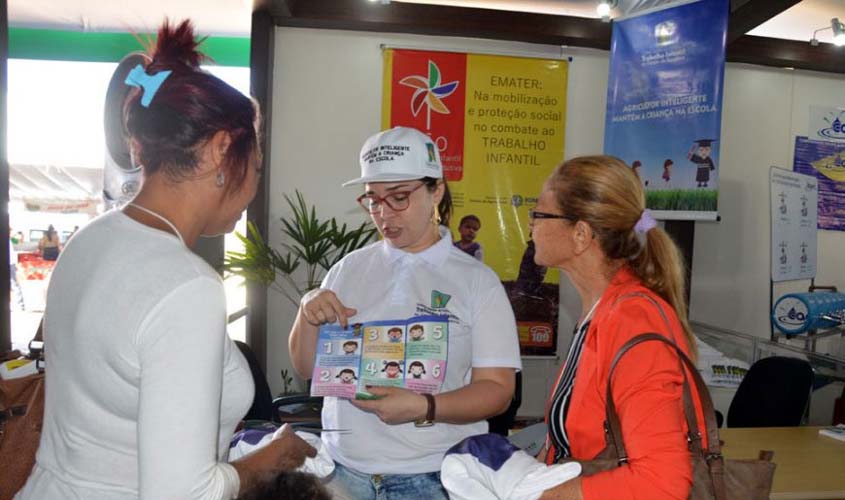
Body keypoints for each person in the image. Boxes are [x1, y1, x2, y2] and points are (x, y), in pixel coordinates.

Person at [15, 20, 315, 500]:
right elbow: (182, 493)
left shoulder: (88, 241)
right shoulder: (187, 286)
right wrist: (268, 457)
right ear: (222, 150)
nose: (253, 190)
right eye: (255, 167)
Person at [288, 126, 521, 499]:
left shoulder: (477, 281)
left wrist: (425, 407)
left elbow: (497, 391)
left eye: (399, 197)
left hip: (432, 475)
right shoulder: (348, 269)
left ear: (437, 190)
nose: (384, 214)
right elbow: (307, 368)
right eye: (373, 200)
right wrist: (307, 312)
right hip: (345, 473)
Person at [530, 156, 707, 499]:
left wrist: (543, 496)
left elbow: (662, 483)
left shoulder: (633, 319)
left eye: (538, 214)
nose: (532, 226)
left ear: (580, 234)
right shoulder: (601, 309)